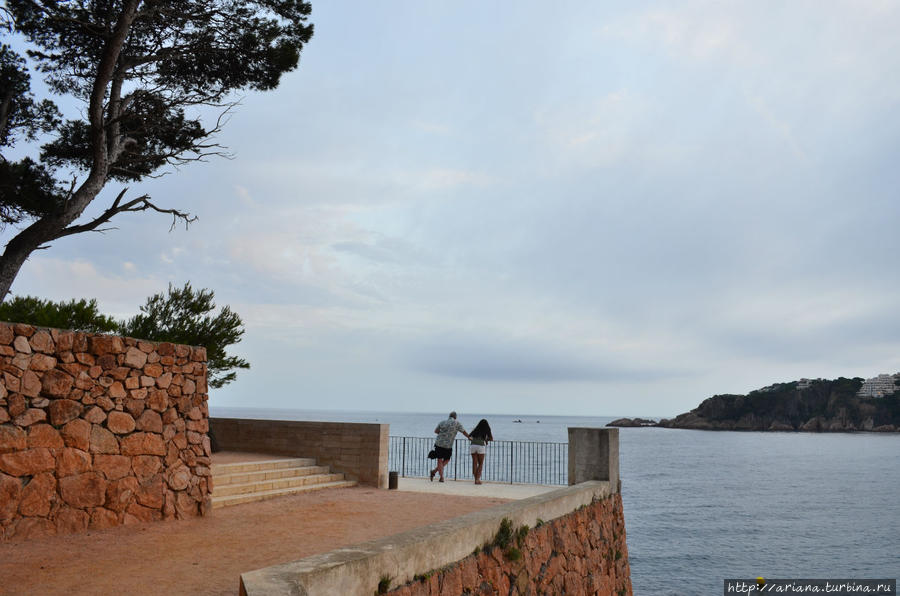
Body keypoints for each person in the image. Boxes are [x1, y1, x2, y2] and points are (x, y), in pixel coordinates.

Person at [429, 411, 469, 482]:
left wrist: (443, 433)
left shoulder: (442, 422)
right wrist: (469, 437)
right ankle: (441, 477)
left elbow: (436, 431)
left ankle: (434, 472)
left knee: (439, 460)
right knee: (447, 460)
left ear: (449, 416)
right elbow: (463, 432)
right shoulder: (457, 423)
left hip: (439, 444)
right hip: (448, 445)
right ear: (455, 417)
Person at [468, 419, 493, 485]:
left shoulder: (476, 429)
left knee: (474, 463)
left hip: (473, 445)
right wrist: (485, 440)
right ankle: (477, 479)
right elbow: (491, 438)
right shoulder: (487, 429)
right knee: (481, 463)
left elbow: (469, 437)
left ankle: (476, 479)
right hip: (481, 446)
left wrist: (474, 439)